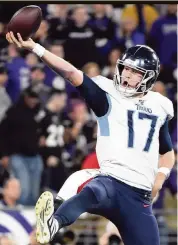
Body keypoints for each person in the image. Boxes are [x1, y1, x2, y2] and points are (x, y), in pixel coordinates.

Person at [6, 32, 175, 245]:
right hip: (112, 181)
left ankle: (55, 220)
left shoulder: (159, 105)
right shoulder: (107, 94)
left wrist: (159, 179)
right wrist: (37, 49)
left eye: (135, 72)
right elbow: (70, 72)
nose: (127, 76)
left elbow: (167, 152)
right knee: (92, 189)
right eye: (126, 69)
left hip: (139, 197)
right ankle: (53, 224)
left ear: (149, 76)